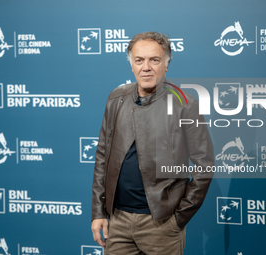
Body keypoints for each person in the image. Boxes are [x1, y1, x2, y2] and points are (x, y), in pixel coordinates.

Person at [91, 31, 214, 255]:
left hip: (161, 225)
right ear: (131, 65)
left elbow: (205, 166)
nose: (145, 67)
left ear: (166, 64)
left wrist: (178, 218)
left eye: (154, 60)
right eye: (139, 60)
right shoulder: (115, 99)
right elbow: (103, 157)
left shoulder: (184, 103)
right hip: (117, 221)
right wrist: (99, 212)